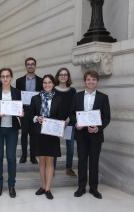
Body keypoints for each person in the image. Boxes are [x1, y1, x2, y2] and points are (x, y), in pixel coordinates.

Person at [71, 70, 110, 199]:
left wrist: (98, 128)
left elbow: (107, 117)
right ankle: (81, 187)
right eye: (88, 79)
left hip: (95, 135)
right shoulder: (77, 96)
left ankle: (94, 188)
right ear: (85, 81)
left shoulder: (103, 97)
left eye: (93, 79)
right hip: (81, 134)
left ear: (97, 82)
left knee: (94, 162)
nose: (91, 82)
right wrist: (76, 123)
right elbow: (72, 114)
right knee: (82, 161)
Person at [29, 74, 64, 200]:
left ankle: (48, 188)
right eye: (45, 83)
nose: (47, 85)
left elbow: (61, 117)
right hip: (39, 133)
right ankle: (42, 186)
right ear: (42, 84)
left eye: (49, 82)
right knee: (41, 161)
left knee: (49, 161)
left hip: (52, 133)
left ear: (53, 84)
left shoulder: (59, 99)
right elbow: (30, 115)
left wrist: (51, 121)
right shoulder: (35, 98)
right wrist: (37, 118)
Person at [0, 68, 21, 198]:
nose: (5, 79)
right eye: (3, 76)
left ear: (11, 77)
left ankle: (11, 185)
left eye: (7, 76)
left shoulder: (17, 92)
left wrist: (21, 112)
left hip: (12, 129)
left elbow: (20, 107)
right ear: (0, 78)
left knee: (11, 157)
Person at [16, 57, 42, 164]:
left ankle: (32, 156)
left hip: (36, 111)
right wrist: (19, 110)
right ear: (26, 66)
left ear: (35, 66)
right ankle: (23, 155)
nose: (30, 66)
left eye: (32, 64)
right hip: (24, 111)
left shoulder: (40, 81)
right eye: (28, 64)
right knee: (24, 134)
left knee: (34, 135)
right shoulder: (19, 81)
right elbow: (17, 96)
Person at [54, 68, 77, 176]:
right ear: (58, 76)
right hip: (55, 123)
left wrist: (67, 120)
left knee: (70, 146)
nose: (63, 76)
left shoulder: (72, 91)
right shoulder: (53, 90)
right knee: (53, 146)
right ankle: (52, 168)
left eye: (65, 74)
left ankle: (69, 168)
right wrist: (58, 121)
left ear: (68, 77)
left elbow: (74, 107)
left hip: (69, 122)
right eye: (61, 74)